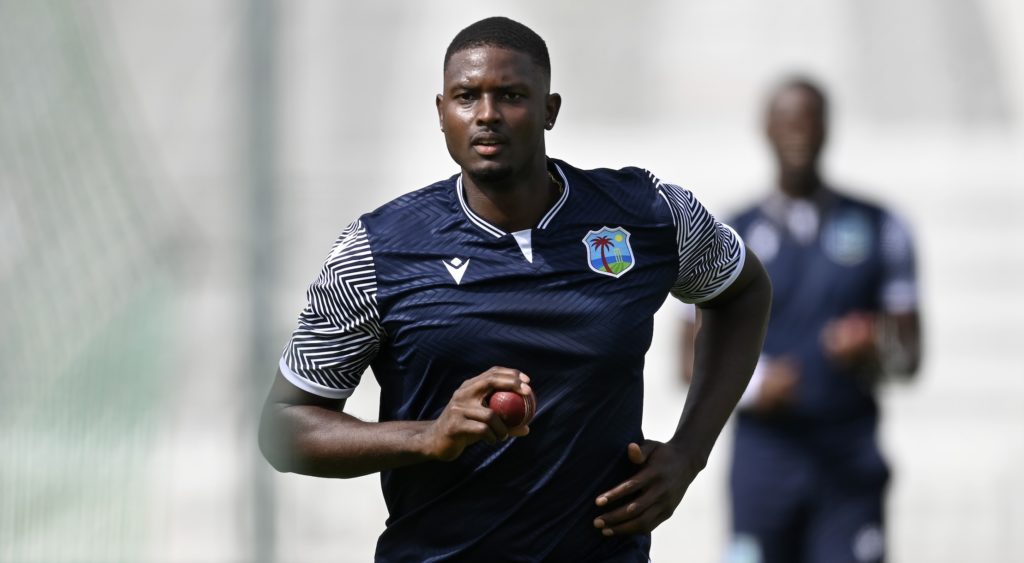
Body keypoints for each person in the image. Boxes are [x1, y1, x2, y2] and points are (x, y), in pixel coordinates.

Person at [259, 16, 772, 562]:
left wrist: (690, 453)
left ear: (549, 110)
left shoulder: (648, 216)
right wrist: (428, 436)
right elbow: (285, 428)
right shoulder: (377, 250)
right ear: (441, 114)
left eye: (510, 95)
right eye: (466, 96)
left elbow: (742, 292)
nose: (486, 115)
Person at [680, 77, 922, 563]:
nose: (799, 133)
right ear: (766, 129)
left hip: (847, 462)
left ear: (829, 129)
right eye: (787, 120)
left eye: (810, 120)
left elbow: (911, 356)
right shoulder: (732, 232)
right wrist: (756, 383)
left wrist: (876, 345)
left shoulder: (880, 225)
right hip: (764, 464)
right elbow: (687, 356)